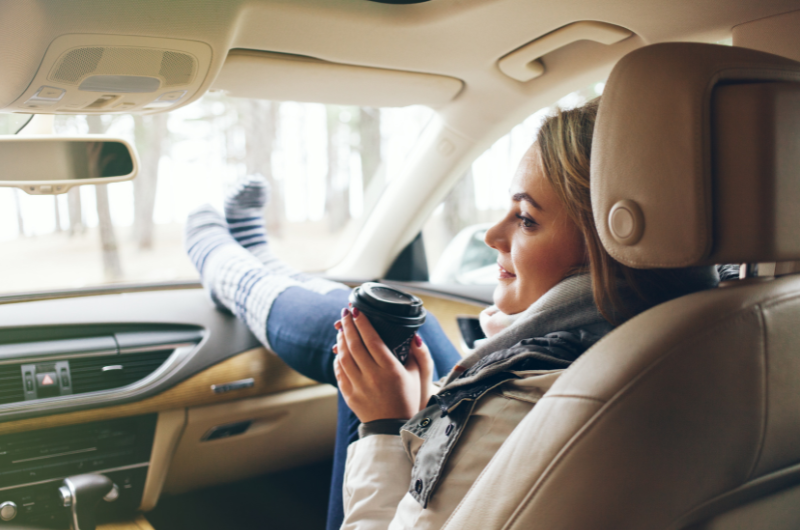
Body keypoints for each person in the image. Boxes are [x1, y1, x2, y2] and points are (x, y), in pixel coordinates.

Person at [185, 98, 723, 530]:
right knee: (394, 330)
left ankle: (221, 259)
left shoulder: (516, 406)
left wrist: (384, 426)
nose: (492, 235)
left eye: (527, 220)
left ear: (607, 248)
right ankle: (254, 258)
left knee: (363, 323)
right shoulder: (710, 329)